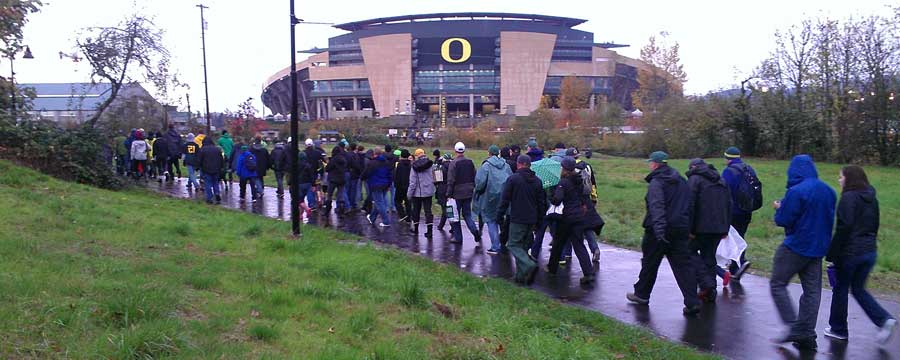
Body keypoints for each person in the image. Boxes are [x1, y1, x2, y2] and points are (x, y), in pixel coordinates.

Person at [770, 154, 836, 351]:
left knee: (777, 284)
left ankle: (794, 327)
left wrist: (779, 208)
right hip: (818, 248)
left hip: (796, 246)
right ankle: (807, 334)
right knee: (812, 292)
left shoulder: (796, 191)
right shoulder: (829, 191)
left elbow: (784, 220)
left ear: (794, 170)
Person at [824, 165, 897, 344]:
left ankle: (838, 329)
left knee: (840, 288)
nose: (839, 180)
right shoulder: (871, 197)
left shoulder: (848, 198)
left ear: (850, 178)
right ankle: (884, 320)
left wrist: (832, 254)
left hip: (850, 253)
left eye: (841, 177)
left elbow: (844, 228)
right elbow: (875, 224)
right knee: (858, 289)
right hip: (869, 251)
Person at [627, 151, 701, 316]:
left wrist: (660, 231)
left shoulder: (657, 182)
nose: (649, 165)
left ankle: (641, 295)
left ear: (655, 164)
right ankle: (692, 301)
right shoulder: (681, 181)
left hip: (658, 231)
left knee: (650, 264)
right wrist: (688, 228)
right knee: (683, 267)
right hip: (680, 229)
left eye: (650, 163)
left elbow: (657, 206)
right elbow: (689, 206)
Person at [685, 159, 731, 303]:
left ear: (693, 167)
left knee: (688, 252)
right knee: (709, 257)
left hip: (700, 228)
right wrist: (726, 227)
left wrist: (689, 229)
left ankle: (706, 284)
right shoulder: (721, 180)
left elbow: (690, 205)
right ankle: (709, 292)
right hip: (718, 228)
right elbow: (729, 204)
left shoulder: (694, 179)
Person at [546, 158, 596, 284]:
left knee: (558, 243)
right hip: (579, 216)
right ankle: (588, 273)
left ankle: (552, 269)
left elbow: (557, 200)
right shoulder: (578, 180)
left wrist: (551, 194)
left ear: (564, 169)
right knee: (579, 245)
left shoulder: (563, 182)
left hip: (566, 217)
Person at [498, 155, 546, 284]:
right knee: (523, 248)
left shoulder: (513, 179)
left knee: (513, 244)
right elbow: (541, 203)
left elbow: (505, 200)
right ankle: (520, 278)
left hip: (517, 218)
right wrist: (540, 221)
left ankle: (529, 265)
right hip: (532, 219)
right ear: (530, 165)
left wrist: (499, 215)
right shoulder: (537, 181)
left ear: (518, 164)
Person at [721, 146, 759, 281]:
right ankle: (737, 267)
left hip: (733, 211)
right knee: (740, 237)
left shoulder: (728, 172)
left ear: (727, 159)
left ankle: (738, 264)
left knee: (731, 239)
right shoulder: (749, 169)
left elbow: (724, 192)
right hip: (747, 210)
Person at [474, 145, 512, 254]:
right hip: (504, 197)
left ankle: (495, 246)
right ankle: (504, 242)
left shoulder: (486, 166)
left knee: (491, 221)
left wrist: (477, 191)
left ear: (489, 153)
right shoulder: (506, 165)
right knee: (501, 219)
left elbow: (480, 184)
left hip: (489, 197)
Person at [446, 142, 482, 247]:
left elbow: (451, 180)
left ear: (455, 150)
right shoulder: (470, 162)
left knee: (454, 216)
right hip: (469, 192)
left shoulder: (454, 163)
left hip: (457, 193)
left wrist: (448, 193)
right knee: (467, 215)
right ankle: (475, 232)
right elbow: (475, 176)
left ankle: (458, 237)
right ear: (464, 150)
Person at [361, 146, 393, 227]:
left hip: (375, 184)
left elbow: (366, 173)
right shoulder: (386, 162)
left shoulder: (372, 163)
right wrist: (389, 184)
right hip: (385, 184)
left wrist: (362, 178)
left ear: (374, 153)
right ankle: (372, 218)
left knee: (379, 203)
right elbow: (390, 174)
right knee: (378, 202)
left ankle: (386, 221)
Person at [408, 149, 435, 237]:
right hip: (428, 192)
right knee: (428, 211)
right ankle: (429, 231)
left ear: (416, 156)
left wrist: (409, 194)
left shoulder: (414, 166)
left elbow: (413, 182)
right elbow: (435, 177)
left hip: (417, 193)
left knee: (416, 211)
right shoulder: (431, 164)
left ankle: (415, 229)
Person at [197, 137, 224, 204]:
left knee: (208, 184)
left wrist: (198, 167)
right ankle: (217, 193)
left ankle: (209, 198)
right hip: (216, 169)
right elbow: (221, 160)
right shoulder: (217, 149)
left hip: (206, 169)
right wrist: (221, 167)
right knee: (215, 182)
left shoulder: (203, 150)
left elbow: (199, 160)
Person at [325, 146, 349, 214]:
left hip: (333, 179)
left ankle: (327, 212)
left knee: (329, 195)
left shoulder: (333, 159)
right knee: (340, 195)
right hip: (341, 179)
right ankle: (341, 211)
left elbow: (327, 168)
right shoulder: (343, 159)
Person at [393, 149, 413, 222]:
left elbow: (396, 176)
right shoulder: (410, 165)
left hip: (400, 186)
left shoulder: (399, 164)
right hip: (408, 185)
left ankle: (402, 215)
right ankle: (409, 217)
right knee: (408, 202)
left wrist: (395, 184)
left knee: (397, 201)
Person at [434, 151, 451, 230]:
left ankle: (442, 225)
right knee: (449, 208)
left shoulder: (441, 167)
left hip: (442, 189)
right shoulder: (454, 167)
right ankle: (451, 226)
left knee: (444, 209)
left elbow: (436, 180)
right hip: (451, 189)